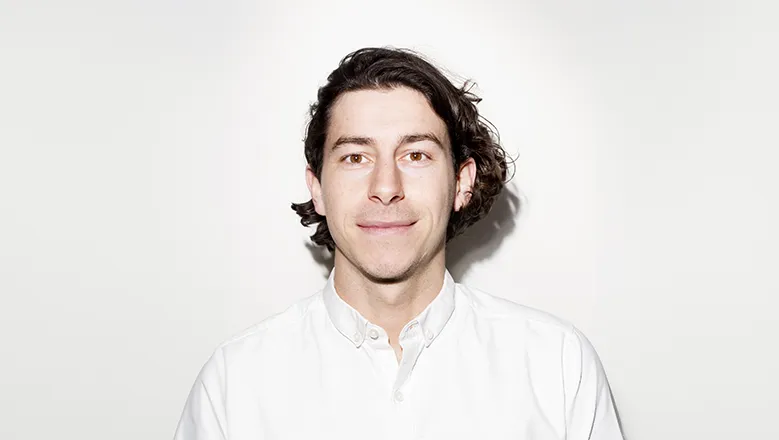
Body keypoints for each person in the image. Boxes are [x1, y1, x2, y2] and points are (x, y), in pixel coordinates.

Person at [173, 47, 624, 440]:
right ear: (318, 189)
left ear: (461, 183)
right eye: (355, 157)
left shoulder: (558, 365)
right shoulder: (235, 381)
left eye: (416, 155)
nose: (385, 186)